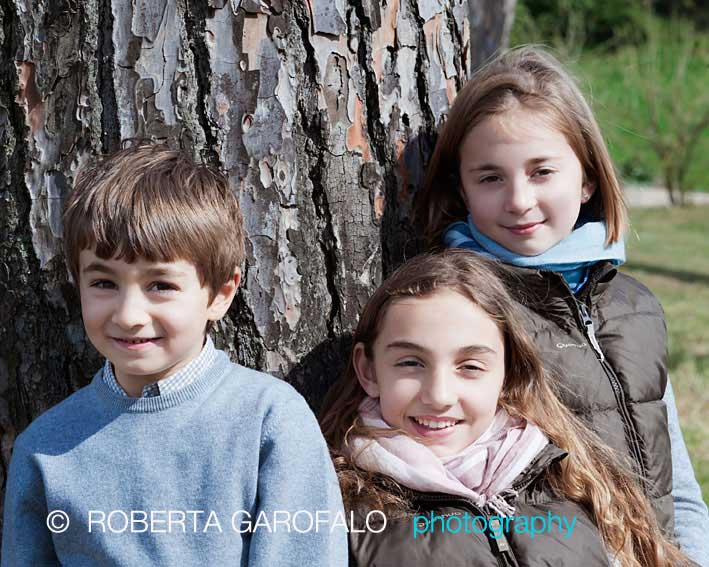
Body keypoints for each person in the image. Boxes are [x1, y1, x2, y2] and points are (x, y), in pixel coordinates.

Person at [414, 46, 709, 565]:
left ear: (588, 177)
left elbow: (678, 485)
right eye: (490, 177)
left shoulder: (633, 305)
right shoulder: (462, 312)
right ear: (461, 188)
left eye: (542, 171)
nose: (519, 200)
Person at [2, 143, 347, 566]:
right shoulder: (44, 448)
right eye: (104, 283)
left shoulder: (269, 421)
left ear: (220, 295)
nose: (128, 316)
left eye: (161, 285)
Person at [321, 250, 691, 566]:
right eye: (411, 363)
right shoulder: (340, 509)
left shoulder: (570, 474)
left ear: (507, 373)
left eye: (469, 367)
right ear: (368, 370)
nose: (439, 395)